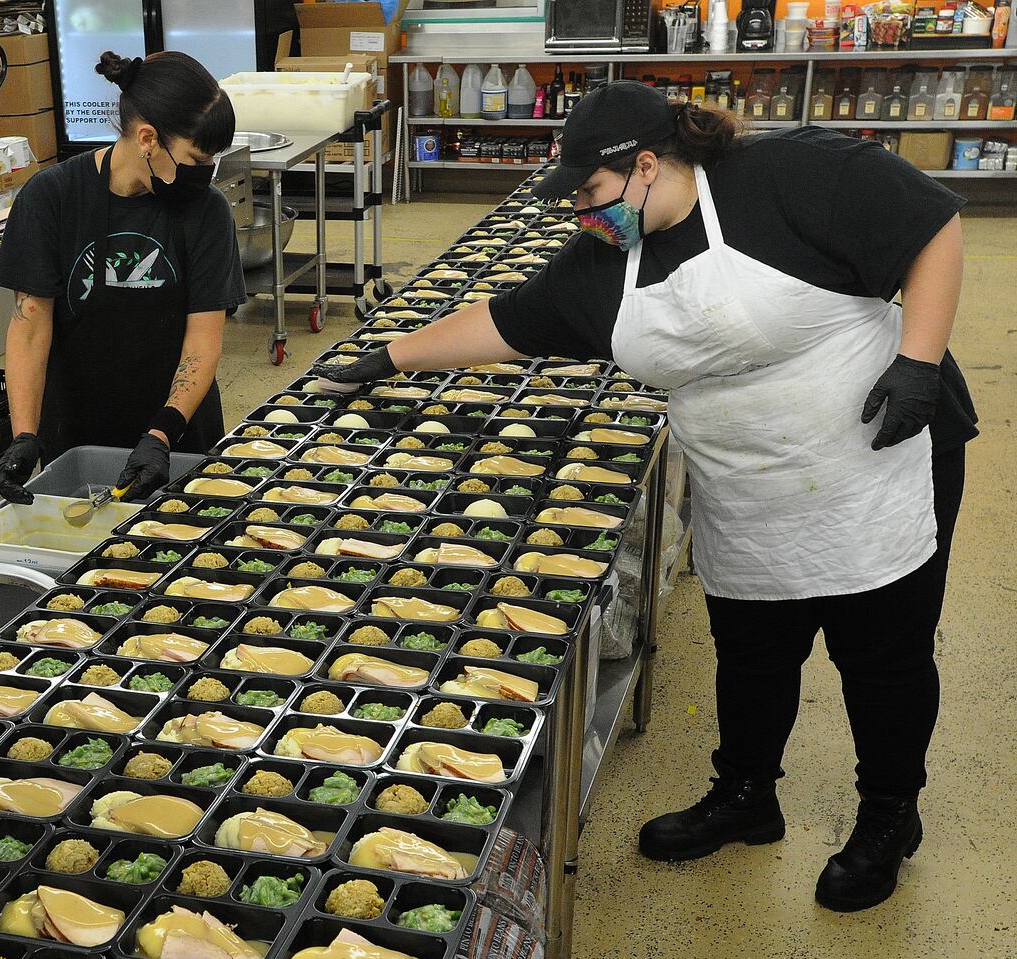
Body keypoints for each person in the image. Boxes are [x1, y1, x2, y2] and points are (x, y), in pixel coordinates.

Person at [315, 82, 976, 912]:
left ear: (646, 166)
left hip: (874, 460)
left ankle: (888, 817)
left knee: (882, 654)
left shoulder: (790, 175)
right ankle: (745, 794)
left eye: (590, 195)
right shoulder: (602, 265)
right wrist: (387, 359)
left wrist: (919, 359)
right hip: (749, 479)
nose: (582, 215)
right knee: (753, 649)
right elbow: (507, 319)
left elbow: (932, 225)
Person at [0, 50, 245, 504]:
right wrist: (24, 436)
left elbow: (204, 339)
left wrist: (162, 435)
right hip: (76, 432)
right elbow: (30, 327)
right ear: (148, 138)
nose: (205, 174)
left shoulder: (207, 212)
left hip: (177, 435)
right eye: (196, 158)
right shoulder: (52, 197)